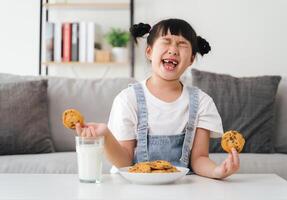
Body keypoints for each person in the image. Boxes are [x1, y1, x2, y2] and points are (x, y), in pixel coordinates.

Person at [76, 18, 240, 179]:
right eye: (166, 41)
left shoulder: (202, 102)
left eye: (182, 44)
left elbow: (199, 159)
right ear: (149, 51)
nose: (173, 50)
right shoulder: (127, 99)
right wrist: (104, 135)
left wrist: (217, 171)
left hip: (180, 186)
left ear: (191, 59)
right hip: (134, 186)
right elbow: (124, 161)